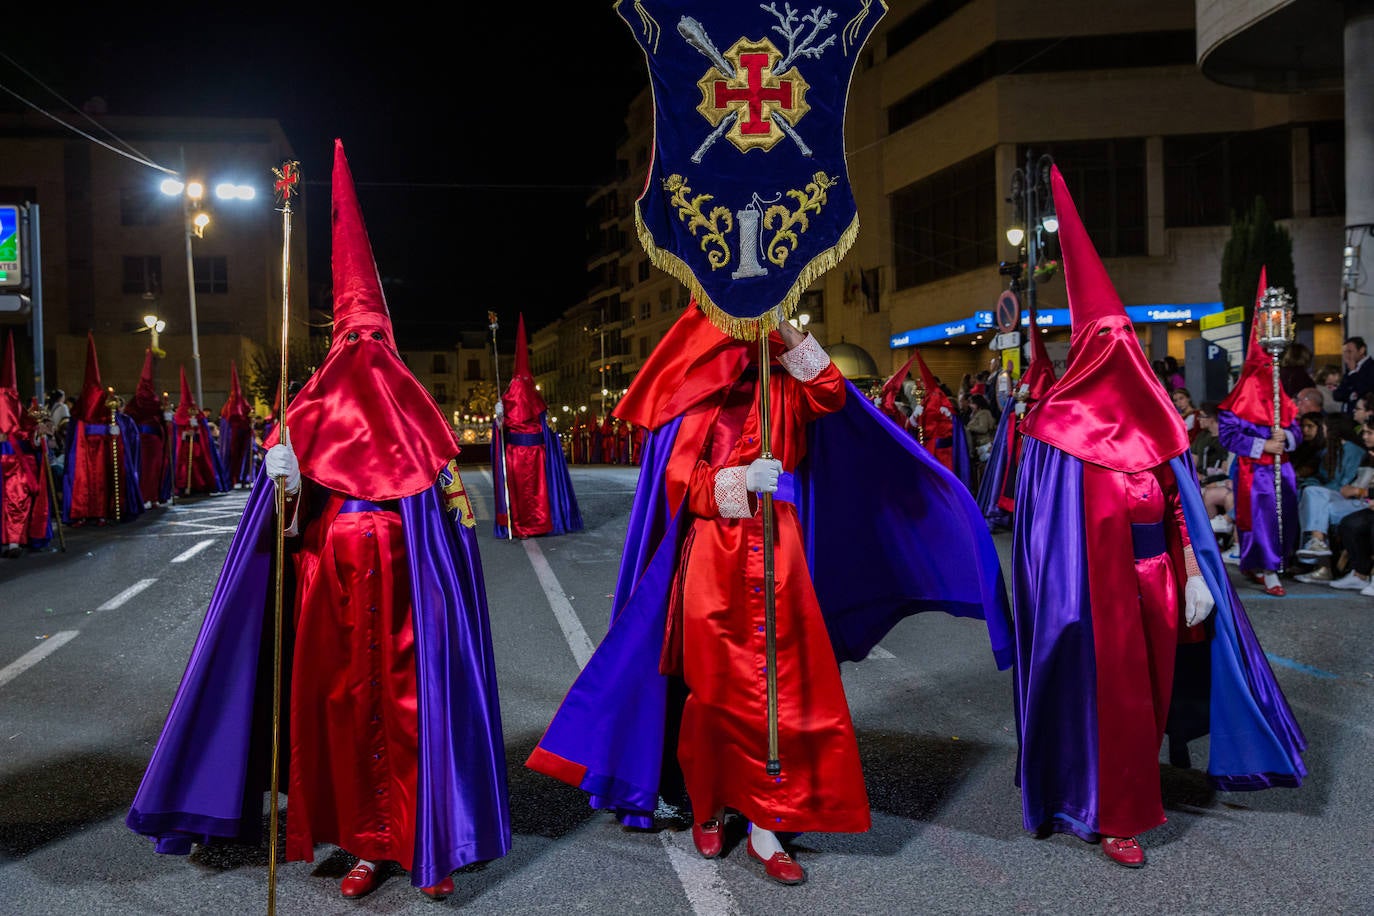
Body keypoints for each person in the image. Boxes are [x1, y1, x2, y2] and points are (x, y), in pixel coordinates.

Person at [128, 139, 511, 900]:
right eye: (352, 339)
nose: (363, 352)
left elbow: (454, 523)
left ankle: (421, 836)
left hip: (408, 597)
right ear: (337, 340)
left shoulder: (419, 412)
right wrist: (285, 478)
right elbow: (282, 526)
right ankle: (365, 844)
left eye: (374, 339)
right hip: (330, 592)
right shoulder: (306, 411)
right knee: (340, 718)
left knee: (411, 715)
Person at [526, 302, 1012, 886]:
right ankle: (708, 805)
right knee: (711, 692)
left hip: (779, 548)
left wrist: (786, 332)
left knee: (781, 691)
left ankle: (767, 821)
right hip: (712, 555)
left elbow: (831, 393)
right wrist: (736, 481)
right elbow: (680, 483)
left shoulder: (782, 381)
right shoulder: (697, 392)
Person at [1012, 168, 1305, 869]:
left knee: (1146, 697)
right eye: (1104, 338)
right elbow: (1044, 537)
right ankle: (1112, 813)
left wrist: (1192, 568)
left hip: (1155, 582)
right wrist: (1064, 600)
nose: (1119, 351)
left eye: (1125, 337)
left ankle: (1130, 786)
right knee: (1107, 700)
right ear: (1087, 349)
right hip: (1090, 592)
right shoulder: (1054, 431)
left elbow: (1178, 506)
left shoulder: (1159, 423)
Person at [1217, 272, 1301, 596]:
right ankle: (1268, 568)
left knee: (1287, 513)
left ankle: (1273, 561)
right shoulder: (1241, 395)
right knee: (1261, 516)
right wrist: (1262, 443)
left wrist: (1287, 438)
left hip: (1283, 467)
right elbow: (1228, 434)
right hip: (1256, 470)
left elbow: (1294, 426)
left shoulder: (1280, 389)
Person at [491, 312, 583, 539]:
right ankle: (528, 523)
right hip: (529, 455)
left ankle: (530, 524)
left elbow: (507, 429)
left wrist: (499, 419)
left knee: (529, 492)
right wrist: (499, 419)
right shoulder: (532, 399)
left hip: (522, 454)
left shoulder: (516, 397)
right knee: (528, 492)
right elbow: (507, 428)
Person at [61, 332, 142, 527]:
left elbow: (120, 432)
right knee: (83, 484)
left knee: (101, 484)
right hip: (82, 457)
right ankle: (80, 513)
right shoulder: (78, 415)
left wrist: (114, 433)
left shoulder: (108, 414)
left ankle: (103, 512)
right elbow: (73, 438)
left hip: (101, 454)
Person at [1293, 419, 1374, 582]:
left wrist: (1360, 491)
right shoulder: (1331, 452)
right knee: (1313, 497)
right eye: (1363, 432)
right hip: (1349, 497)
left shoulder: (1355, 452)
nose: (1364, 436)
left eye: (1369, 433)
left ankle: (1322, 564)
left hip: (1361, 500)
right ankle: (1318, 546)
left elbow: (1348, 486)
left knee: (1318, 508)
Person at [1, 331, 52, 557]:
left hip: (17, 467)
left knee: (16, 501)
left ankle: (14, 541)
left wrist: (39, 435)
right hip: (10, 464)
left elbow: (30, 437)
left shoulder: (23, 423)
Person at [124, 349, 173, 509]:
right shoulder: (136, 403)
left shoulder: (154, 401)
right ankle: (143, 497)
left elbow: (162, 421)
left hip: (155, 441)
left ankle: (153, 498)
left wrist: (166, 415)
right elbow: (129, 421)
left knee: (154, 470)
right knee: (142, 470)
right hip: (142, 441)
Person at [169, 367, 229, 497]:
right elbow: (177, 433)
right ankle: (185, 487)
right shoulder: (179, 416)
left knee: (199, 467)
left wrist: (196, 432)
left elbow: (204, 432)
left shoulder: (199, 415)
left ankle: (201, 486)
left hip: (198, 446)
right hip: (184, 448)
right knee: (185, 468)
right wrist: (185, 434)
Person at [218, 361, 255, 488]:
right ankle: (232, 478)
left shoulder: (243, 404)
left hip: (243, 437)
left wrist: (251, 421)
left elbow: (250, 416)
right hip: (232, 438)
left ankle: (244, 478)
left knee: (244, 458)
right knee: (232, 458)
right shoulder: (228, 407)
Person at [1332, 336, 1374, 414]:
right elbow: (1337, 395)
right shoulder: (1350, 370)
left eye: (1349, 351)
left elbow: (1364, 391)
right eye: (1344, 352)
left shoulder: (1371, 367)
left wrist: (1353, 373)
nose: (1346, 355)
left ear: (1361, 350)